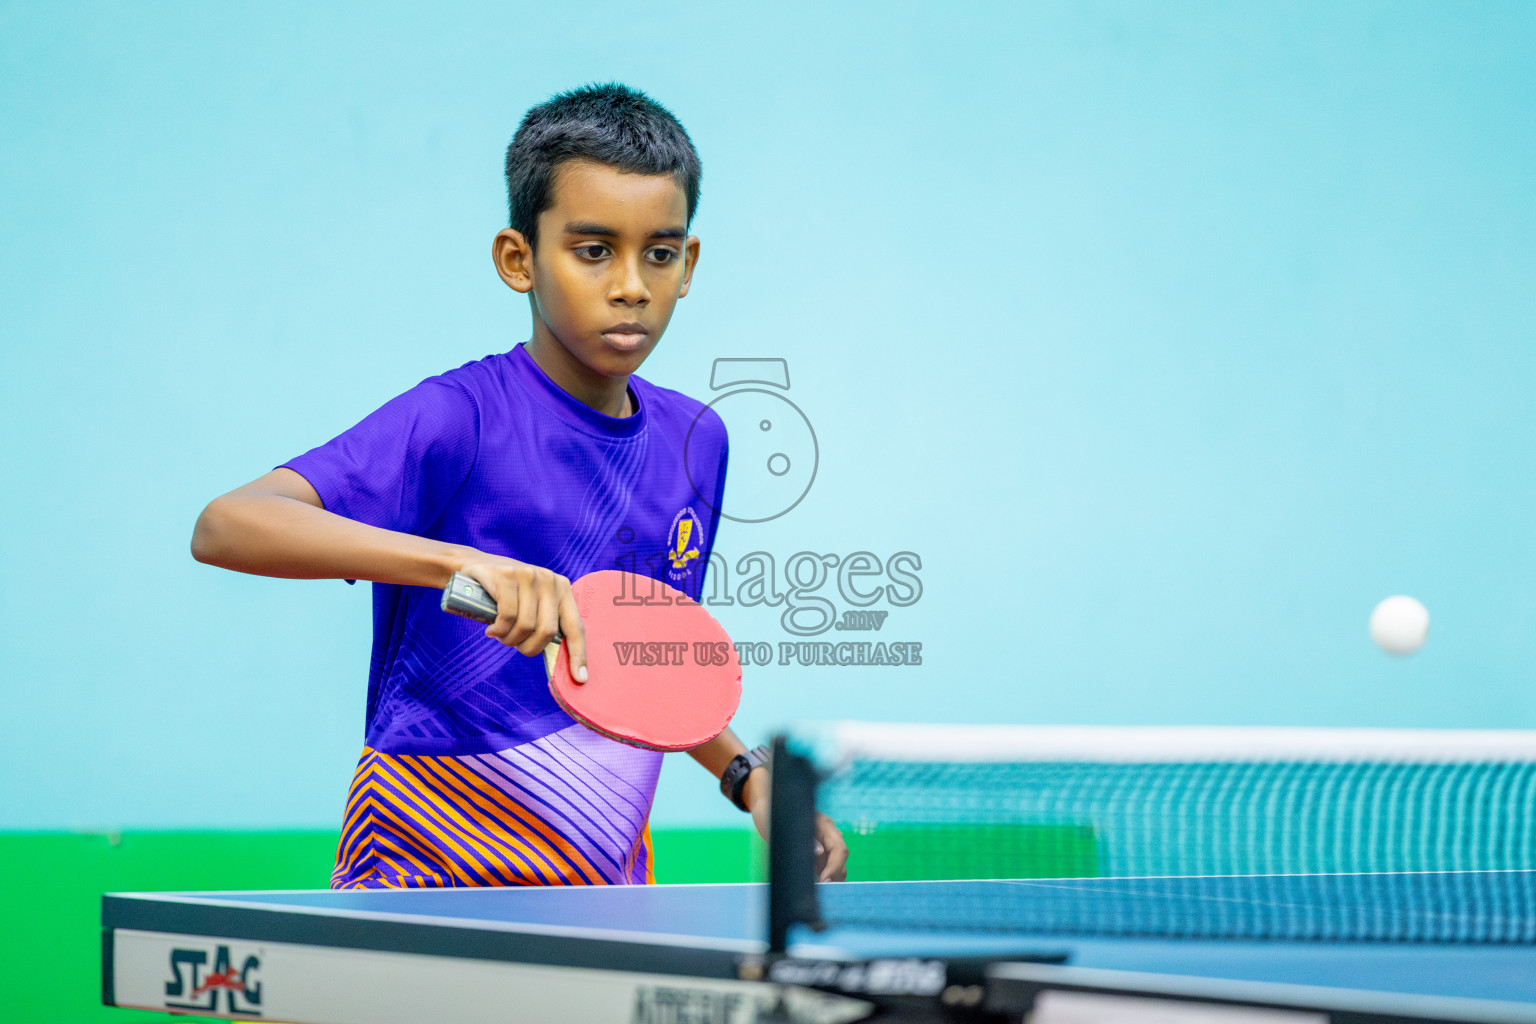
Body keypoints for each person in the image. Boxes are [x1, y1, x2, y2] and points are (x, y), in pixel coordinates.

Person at [191, 83, 848, 888]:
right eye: (594, 250)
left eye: (661, 252)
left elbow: (639, 665)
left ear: (689, 266)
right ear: (518, 259)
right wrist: (454, 565)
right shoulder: (458, 417)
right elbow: (228, 525)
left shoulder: (696, 443)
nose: (632, 285)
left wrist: (747, 775)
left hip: (605, 892)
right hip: (422, 886)